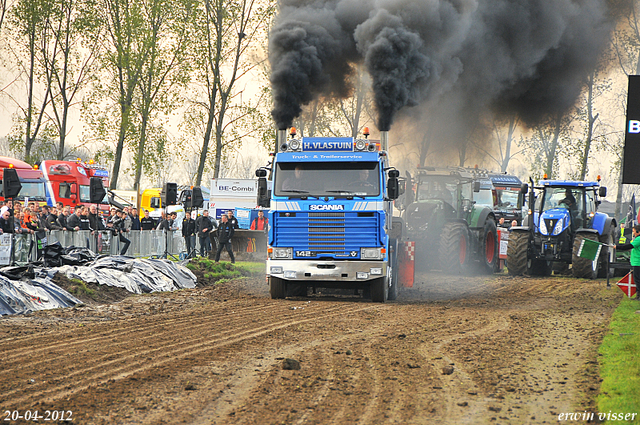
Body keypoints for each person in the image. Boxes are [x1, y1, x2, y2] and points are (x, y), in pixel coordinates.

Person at [616, 223, 640, 301]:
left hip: (638, 263)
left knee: (638, 280)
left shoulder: (638, 239)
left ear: (638, 231)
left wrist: (617, 247)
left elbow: (629, 246)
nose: (633, 233)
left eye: (634, 231)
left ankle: (639, 296)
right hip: (636, 262)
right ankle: (638, 296)